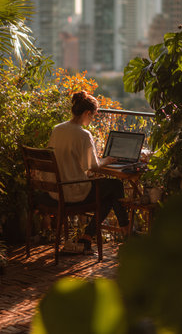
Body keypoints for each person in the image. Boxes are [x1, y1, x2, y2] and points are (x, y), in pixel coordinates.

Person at [39, 90, 129, 253]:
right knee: (115, 186)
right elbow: (93, 166)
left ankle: (88, 237)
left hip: (55, 191)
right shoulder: (83, 134)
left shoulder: (57, 129)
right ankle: (126, 230)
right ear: (87, 113)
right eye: (93, 115)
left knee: (108, 197)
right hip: (72, 191)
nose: (92, 119)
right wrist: (106, 160)